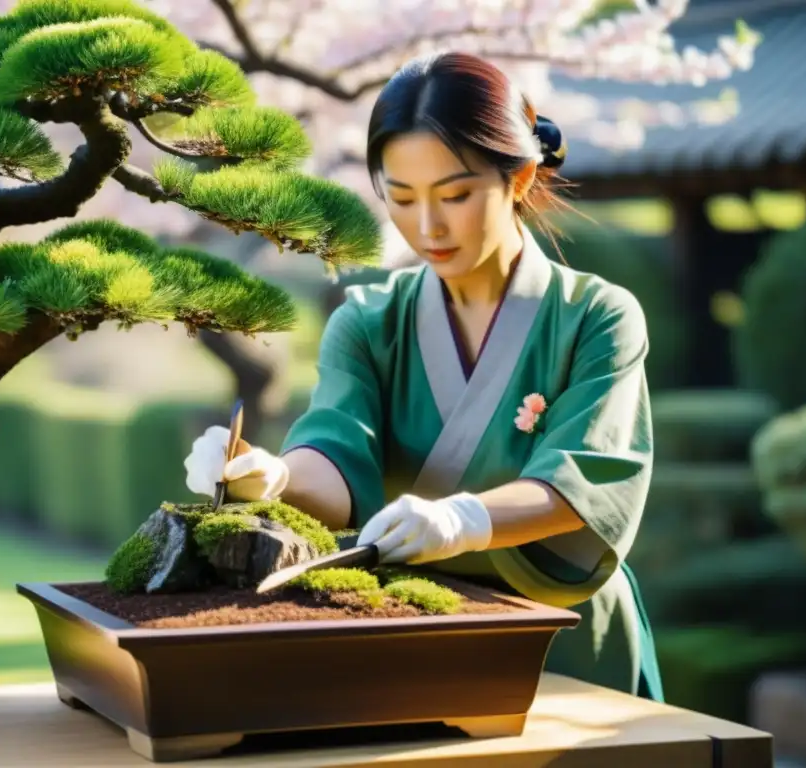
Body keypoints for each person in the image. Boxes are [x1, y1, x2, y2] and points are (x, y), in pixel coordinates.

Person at [183, 51, 663, 702]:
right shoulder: (367, 321)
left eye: (456, 195)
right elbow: (337, 452)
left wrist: (463, 519)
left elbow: (584, 480)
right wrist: (271, 476)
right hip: (415, 628)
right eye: (401, 198)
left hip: (565, 640)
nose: (427, 227)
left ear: (518, 178)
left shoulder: (597, 318)